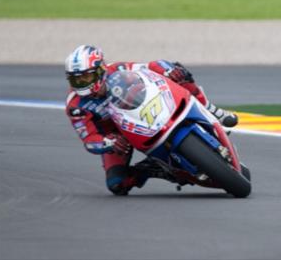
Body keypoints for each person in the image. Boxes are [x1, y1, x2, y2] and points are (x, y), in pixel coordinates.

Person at [64, 44, 238, 195]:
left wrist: (168, 69)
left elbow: (150, 66)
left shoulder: (117, 69)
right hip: (118, 137)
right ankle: (152, 169)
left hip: (142, 110)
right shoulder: (75, 106)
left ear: (100, 70)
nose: (81, 83)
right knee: (117, 184)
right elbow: (89, 140)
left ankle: (212, 110)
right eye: (76, 79)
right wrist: (107, 143)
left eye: (86, 77)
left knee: (179, 73)